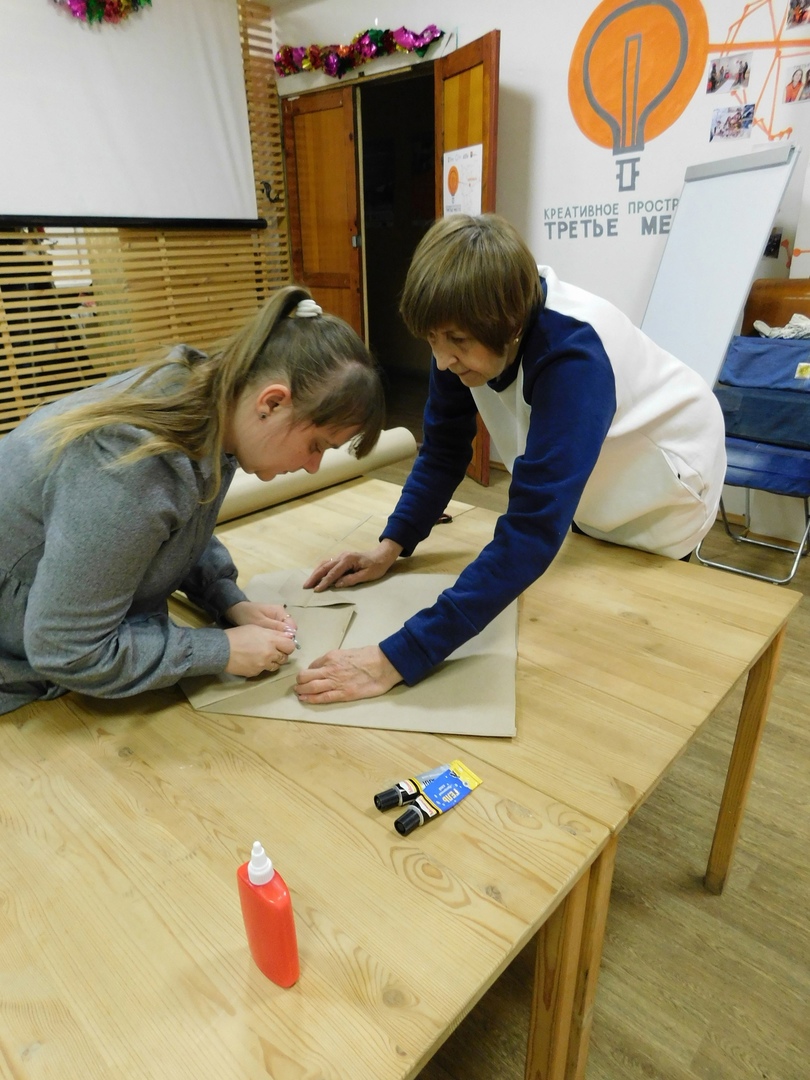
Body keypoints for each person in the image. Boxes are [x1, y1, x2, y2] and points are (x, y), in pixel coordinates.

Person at [294, 213, 726, 705]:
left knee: (629, 650)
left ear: (512, 324)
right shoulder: (463, 324)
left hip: (667, 477)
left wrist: (400, 656)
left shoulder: (573, 357)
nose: (442, 360)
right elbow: (443, 450)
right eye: (432, 340)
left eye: (456, 342)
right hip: (601, 481)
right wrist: (389, 547)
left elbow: (532, 529)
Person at [0, 286, 384, 716]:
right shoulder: (130, 468)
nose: (313, 467)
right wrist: (220, 650)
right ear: (272, 403)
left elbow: (173, 524)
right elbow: (66, 650)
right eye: (316, 445)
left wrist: (226, 598)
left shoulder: (213, 401)